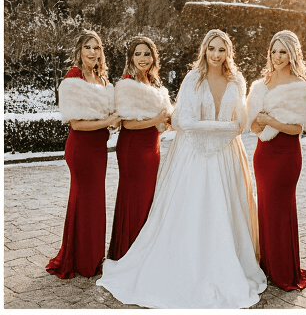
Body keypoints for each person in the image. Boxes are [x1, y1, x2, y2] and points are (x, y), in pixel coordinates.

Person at [98, 30, 266, 310]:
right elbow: (184, 120)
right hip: (193, 155)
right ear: (204, 50)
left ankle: (227, 264)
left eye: (221, 50)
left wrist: (224, 128)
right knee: (188, 211)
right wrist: (221, 128)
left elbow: (241, 123)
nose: (215, 55)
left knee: (225, 212)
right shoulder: (193, 78)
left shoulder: (237, 80)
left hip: (226, 155)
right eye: (211, 48)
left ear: (228, 53)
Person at [46, 31, 121, 280]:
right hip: (81, 149)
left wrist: (112, 122)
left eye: (96, 47)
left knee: (94, 201)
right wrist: (107, 121)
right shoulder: (73, 77)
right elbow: (76, 124)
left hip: (99, 149)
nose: (92, 52)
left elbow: (102, 116)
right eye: (87, 47)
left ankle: (91, 256)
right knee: (86, 201)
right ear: (79, 51)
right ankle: (82, 261)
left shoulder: (100, 77)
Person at [247, 30, 306, 291]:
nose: (277, 57)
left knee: (282, 210)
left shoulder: (302, 87)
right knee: (265, 209)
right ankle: (268, 266)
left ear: (292, 54)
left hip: (286, 156)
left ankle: (283, 270)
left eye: (283, 52)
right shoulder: (260, 85)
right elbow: (253, 127)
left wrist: (271, 121)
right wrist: (260, 122)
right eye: (274, 51)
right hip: (263, 155)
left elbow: (298, 128)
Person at [108, 37, 172, 259]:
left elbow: (158, 122)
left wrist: (164, 123)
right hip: (133, 148)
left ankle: (143, 251)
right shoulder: (127, 84)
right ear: (131, 58)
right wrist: (157, 119)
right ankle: (126, 251)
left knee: (147, 199)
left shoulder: (152, 84)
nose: (143, 58)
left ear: (154, 57)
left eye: (147, 54)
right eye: (138, 54)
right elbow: (129, 123)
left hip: (151, 147)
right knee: (134, 198)